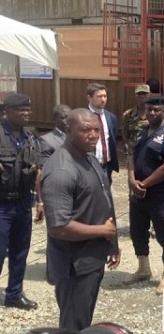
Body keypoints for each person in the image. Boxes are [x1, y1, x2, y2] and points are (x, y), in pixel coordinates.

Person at [42, 109, 120, 331]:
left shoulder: (89, 158)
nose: (93, 135)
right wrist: (103, 232)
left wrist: (112, 243)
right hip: (74, 265)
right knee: (74, 324)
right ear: (68, 130)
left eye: (96, 129)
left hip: (92, 257)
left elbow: (105, 198)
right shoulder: (61, 170)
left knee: (84, 318)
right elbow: (59, 227)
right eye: (86, 129)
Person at [126, 95, 164, 294]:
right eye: (149, 110)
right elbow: (131, 156)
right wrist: (132, 180)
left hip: (160, 195)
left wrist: (144, 184)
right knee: (137, 232)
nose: (152, 113)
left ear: (163, 110)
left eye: (156, 110)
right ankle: (143, 268)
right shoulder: (142, 133)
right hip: (138, 194)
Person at [0, 93, 42, 311]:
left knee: (20, 252)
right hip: (2, 205)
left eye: (28, 110)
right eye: (20, 110)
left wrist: (40, 203)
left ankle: (14, 294)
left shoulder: (31, 137)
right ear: (7, 111)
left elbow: (38, 171)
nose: (26, 113)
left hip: (24, 203)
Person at [39, 104, 72, 286]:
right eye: (63, 117)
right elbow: (43, 171)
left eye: (69, 116)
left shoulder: (76, 136)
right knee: (56, 233)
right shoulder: (47, 141)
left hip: (74, 191)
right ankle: (53, 271)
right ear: (55, 120)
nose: (67, 120)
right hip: (56, 193)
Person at [86, 83, 119, 184]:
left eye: (105, 96)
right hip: (88, 165)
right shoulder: (83, 117)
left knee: (106, 195)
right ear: (89, 98)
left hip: (106, 166)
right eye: (99, 96)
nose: (103, 99)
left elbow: (113, 140)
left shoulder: (111, 118)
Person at [122, 84, 150, 158]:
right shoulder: (128, 114)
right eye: (139, 94)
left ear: (149, 94)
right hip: (133, 152)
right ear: (135, 95)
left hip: (150, 151)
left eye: (144, 93)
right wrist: (126, 147)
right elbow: (125, 134)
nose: (142, 96)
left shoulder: (155, 113)